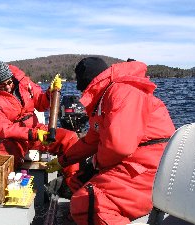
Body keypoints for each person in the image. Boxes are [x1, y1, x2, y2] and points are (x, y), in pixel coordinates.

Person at [46, 57, 175, 225]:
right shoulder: (107, 96)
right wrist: (63, 161)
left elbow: (119, 147)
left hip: (151, 170)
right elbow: (91, 141)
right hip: (133, 164)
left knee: (87, 204)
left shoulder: (122, 92)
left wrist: (95, 164)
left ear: (87, 81)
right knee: (76, 182)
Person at [0, 61, 79, 183]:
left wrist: (50, 92)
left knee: (70, 138)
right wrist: (33, 134)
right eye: (2, 86)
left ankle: (71, 183)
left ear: (12, 77)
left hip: (37, 130)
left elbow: (40, 103)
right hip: (13, 139)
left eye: (9, 82)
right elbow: (3, 129)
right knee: (3, 159)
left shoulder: (24, 82)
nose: (7, 87)